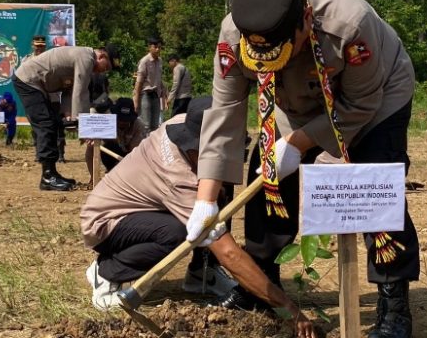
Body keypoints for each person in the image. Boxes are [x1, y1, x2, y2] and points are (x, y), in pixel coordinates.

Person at [187, 0, 418, 338]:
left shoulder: (348, 23)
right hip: (293, 104)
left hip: (376, 100)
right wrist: (205, 199)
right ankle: (259, 289)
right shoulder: (234, 34)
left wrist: (296, 144)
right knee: (266, 182)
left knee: (374, 189)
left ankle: (394, 304)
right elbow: (224, 116)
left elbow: (360, 105)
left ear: (305, 22)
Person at [80, 97, 317, 338]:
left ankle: (201, 273)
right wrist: (288, 308)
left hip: (141, 208)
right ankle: (106, 272)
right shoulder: (179, 178)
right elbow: (228, 252)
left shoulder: (183, 121)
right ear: (195, 148)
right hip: (105, 222)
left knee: (218, 191)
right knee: (179, 232)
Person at [13, 45, 119, 191]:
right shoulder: (87, 57)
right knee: (46, 124)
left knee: (53, 123)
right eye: (105, 67)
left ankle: (52, 173)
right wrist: (84, 125)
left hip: (38, 85)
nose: (103, 71)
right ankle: (47, 177)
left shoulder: (84, 60)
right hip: (28, 80)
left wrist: (69, 114)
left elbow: (71, 90)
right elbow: (80, 91)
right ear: (102, 56)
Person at [84, 97, 145, 182]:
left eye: (126, 120)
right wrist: (91, 137)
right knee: (92, 147)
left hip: (129, 157)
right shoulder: (106, 122)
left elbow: (135, 153)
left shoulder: (138, 125)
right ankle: (99, 176)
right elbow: (90, 148)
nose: (123, 122)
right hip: (112, 153)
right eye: (120, 119)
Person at [133, 37, 164, 133]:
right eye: (155, 47)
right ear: (150, 47)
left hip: (156, 94)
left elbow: (159, 79)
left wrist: (163, 93)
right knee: (145, 125)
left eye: (159, 47)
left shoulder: (160, 61)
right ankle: (144, 147)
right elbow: (139, 82)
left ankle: (152, 146)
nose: (157, 49)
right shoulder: (144, 61)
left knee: (155, 125)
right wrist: (136, 100)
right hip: (145, 95)